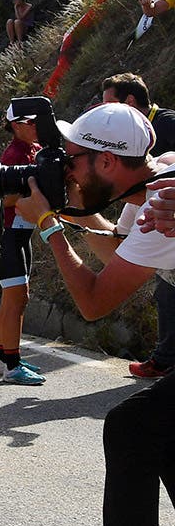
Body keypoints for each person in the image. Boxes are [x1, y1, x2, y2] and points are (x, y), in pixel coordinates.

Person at [15, 103, 175, 526]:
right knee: (160, 433)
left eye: (74, 159)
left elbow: (93, 301)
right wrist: (74, 212)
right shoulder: (153, 184)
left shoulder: (161, 203)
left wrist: (47, 224)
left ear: (107, 163)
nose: (67, 169)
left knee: (132, 427)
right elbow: (119, 252)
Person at [102, 73, 175, 378]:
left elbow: (94, 300)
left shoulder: (168, 124)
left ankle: (163, 359)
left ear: (130, 101)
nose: (105, 112)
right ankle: (164, 358)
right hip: (158, 226)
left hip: (165, 225)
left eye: (110, 104)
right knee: (166, 292)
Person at [0, 108, 46, 384]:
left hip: (22, 232)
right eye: (30, 122)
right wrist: (32, 191)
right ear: (16, 125)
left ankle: (6, 358)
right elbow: (3, 199)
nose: (36, 126)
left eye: (38, 121)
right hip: (8, 233)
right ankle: (12, 366)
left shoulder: (34, 149)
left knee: (15, 298)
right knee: (16, 298)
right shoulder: (13, 154)